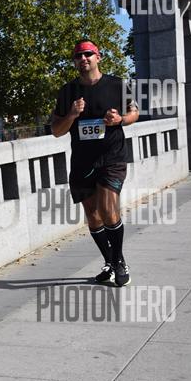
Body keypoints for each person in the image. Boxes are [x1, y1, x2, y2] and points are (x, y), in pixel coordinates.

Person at [51, 39, 140, 286]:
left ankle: (119, 261)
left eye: (88, 54)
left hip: (112, 158)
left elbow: (134, 112)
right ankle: (109, 262)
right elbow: (56, 130)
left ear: (98, 57)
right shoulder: (67, 92)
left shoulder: (117, 85)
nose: (83, 59)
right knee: (93, 216)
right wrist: (71, 115)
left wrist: (120, 120)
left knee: (108, 208)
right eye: (78, 56)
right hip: (82, 162)